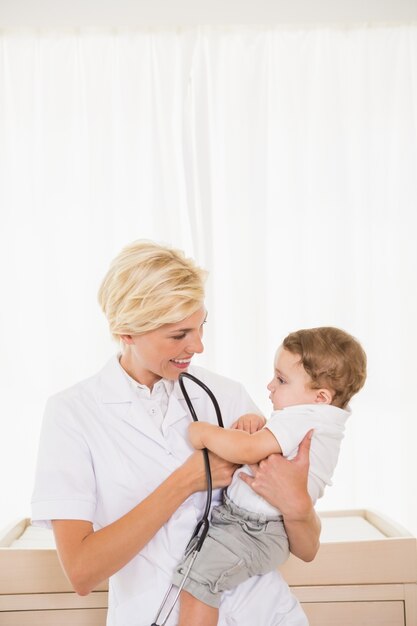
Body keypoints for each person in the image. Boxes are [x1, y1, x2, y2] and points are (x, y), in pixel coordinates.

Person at [31, 239, 321, 626]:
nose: (197, 346)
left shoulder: (225, 395)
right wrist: (186, 481)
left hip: (264, 614)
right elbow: (82, 571)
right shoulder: (73, 414)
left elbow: (307, 547)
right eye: (179, 335)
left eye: (201, 326)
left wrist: (299, 506)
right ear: (127, 331)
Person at [174, 326, 367, 626]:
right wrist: (260, 423)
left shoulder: (304, 416)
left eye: (281, 379)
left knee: (199, 583)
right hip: (258, 528)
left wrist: (203, 433)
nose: (269, 386)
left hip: (253, 529)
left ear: (320, 396)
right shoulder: (321, 420)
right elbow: (273, 446)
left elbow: (251, 450)